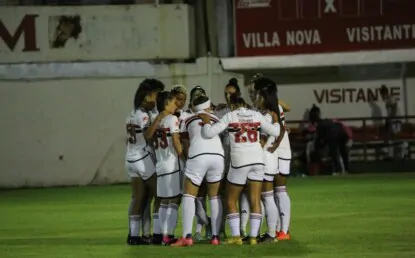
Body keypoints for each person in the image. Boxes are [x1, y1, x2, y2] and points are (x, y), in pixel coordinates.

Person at [199, 95, 281, 245]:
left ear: (233, 106)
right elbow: (275, 131)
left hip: (240, 161)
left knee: (230, 200)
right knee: (255, 199)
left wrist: (205, 122)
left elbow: (209, 133)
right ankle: (253, 237)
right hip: (257, 160)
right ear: (245, 105)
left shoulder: (230, 115)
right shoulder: (256, 115)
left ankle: (236, 237)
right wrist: (276, 119)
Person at [172, 95, 225, 247]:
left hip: (198, 155)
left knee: (189, 195)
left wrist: (188, 160)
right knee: (214, 197)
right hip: (217, 157)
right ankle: (215, 237)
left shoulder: (187, 119)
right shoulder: (215, 118)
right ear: (208, 107)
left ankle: (187, 237)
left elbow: (185, 142)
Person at [125, 79, 163, 245]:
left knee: (139, 197)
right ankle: (157, 234)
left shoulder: (132, 112)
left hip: (130, 159)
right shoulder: (144, 114)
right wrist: (160, 117)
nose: (158, 98)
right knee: (160, 194)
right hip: (142, 158)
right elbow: (147, 135)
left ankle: (133, 236)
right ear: (148, 95)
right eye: (157, 94)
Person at [150, 91, 185, 245]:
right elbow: (176, 141)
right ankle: (168, 235)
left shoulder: (155, 120)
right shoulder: (172, 119)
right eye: (173, 102)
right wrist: (184, 157)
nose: (175, 104)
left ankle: (160, 234)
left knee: (163, 201)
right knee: (174, 200)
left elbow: (149, 138)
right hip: (172, 164)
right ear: (166, 103)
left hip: (160, 164)